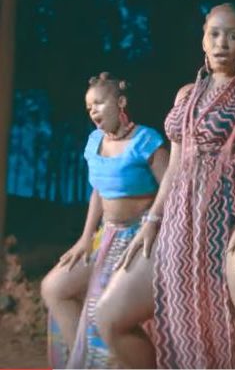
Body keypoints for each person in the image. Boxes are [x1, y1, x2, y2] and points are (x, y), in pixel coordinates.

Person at [95, 3, 235, 369]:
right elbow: (176, 167)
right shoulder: (186, 94)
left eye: (233, 36)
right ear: (203, 41)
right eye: (215, 34)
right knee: (109, 315)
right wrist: (153, 221)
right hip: (181, 220)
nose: (222, 43)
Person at [41, 72, 168, 368]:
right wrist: (86, 238)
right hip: (105, 234)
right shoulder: (95, 140)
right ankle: (80, 363)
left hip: (141, 237)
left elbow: (171, 187)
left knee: (102, 310)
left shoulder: (146, 140)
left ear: (120, 102)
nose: (93, 111)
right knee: (54, 287)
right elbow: (98, 190)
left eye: (98, 103)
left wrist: (153, 224)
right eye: (89, 107)